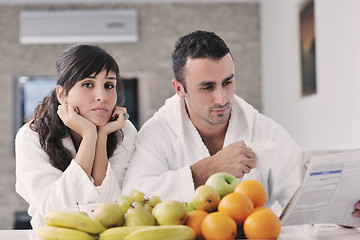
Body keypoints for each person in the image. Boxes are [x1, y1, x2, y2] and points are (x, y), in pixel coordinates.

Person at [122, 30, 301, 212]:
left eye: (227, 83)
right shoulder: (156, 132)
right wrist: (208, 169)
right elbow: (134, 197)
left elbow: (302, 194)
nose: (221, 99)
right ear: (179, 89)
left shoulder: (264, 130)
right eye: (207, 87)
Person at [15, 44, 137, 229]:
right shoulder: (31, 136)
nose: (102, 96)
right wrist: (89, 136)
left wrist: (101, 137)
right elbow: (57, 210)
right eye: (88, 84)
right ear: (62, 94)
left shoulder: (123, 130)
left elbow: (111, 204)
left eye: (109, 85)